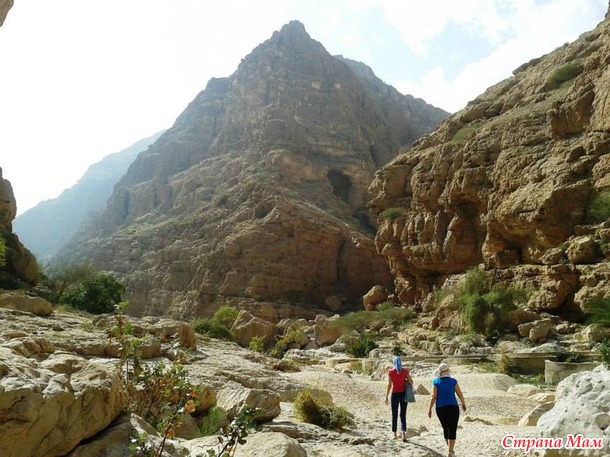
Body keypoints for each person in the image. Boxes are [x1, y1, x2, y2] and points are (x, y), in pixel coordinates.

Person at [427, 362, 466, 457]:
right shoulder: (453, 381)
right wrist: (463, 403)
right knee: (452, 428)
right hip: (453, 407)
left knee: (445, 428)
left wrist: (430, 409)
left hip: (440, 408)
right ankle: (450, 451)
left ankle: (450, 450)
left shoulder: (436, 382)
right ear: (448, 371)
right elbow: (459, 394)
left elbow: (434, 397)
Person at [384, 355, 414, 441]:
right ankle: (404, 435)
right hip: (403, 394)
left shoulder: (390, 372)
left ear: (394, 363)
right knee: (403, 414)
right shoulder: (405, 371)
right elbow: (411, 382)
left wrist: (386, 396)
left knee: (394, 414)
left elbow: (389, 385)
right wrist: (405, 380)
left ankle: (394, 434)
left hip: (395, 394)